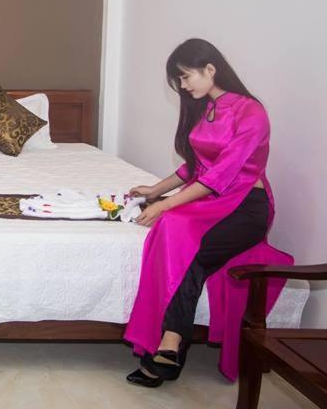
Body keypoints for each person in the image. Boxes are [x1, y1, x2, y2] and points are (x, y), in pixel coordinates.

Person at [124, 38, 292, 386]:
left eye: (186, 77)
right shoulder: (206, 109)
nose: (183, 86)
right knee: (172, 230)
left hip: (246, 209)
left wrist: (165, 203)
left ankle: (171, 342)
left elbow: (220, 175)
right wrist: (156, 190)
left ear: (210, 69)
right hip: (212, 203)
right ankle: (168, 345)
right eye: (179, 80)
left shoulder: (251, 113)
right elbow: (195, 166)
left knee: (189, 252)